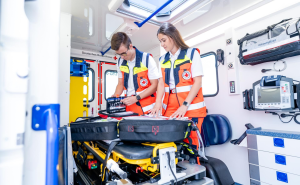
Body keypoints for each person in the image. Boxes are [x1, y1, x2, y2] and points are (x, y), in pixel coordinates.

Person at [149, 23, 207, 164]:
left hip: (191, 106)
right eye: (160, 41)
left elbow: (197, 82)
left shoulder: (192, 54)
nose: (162, 44)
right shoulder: (163, 59)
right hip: (170, 107)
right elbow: (161, 83)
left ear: (172, 37)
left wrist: (185, 105)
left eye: (164, 40)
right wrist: (157, 103)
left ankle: (196, 175)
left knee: (192, 145)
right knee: (170, 143)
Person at [111, 32, 159, 115]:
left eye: (123, 53)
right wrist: (116, 95)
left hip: (148, 109)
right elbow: (120, 84)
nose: (122, 57)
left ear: (130, 46)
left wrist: (136, 98)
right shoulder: (119, 62)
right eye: (119, 54)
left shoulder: (147, 59)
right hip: (129, 107)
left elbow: (155, 85)